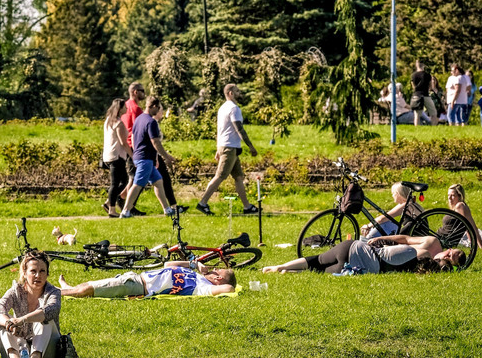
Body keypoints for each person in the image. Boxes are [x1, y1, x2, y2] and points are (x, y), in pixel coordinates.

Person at [197, 84, 259, 216]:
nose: (239, 92)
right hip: (230, 148)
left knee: (239, 177)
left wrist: (218, 148)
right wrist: (251, 146)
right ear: (230, 93)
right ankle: (202, 203)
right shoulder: (233, 108)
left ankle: (247, 207)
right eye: (237, 91)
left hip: (228, 146)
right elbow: (239, 129)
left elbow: (221, 129)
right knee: (220, 176)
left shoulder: (222, 108)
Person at [261, 237, 463, 274]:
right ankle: (285, 271)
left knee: (317, 260)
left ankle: (280, 266)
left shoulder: (409, 252)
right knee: (320, 269)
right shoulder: (405, 269)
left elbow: (393, 246)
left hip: (352, 248)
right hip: (354, 267)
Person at [0, 251, 61, 358]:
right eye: (33, 271)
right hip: (21, 345)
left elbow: (50, 310)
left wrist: (22, 319)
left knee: (44, 321)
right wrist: (9, 324)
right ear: (24, 273)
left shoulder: (53, 292)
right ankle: (14, 356)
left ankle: (35, 356)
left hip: (48, 348)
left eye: (42, 271)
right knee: (4, 322)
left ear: (47, 273)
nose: (38, 276)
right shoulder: (16, 291)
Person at [121, 97, 177, 218]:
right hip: (145, 158)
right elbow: (155, 142)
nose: (158, 111)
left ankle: (167, 209)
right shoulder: (151, 122)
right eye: (158, 108)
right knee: (137, 184)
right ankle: (125, 211)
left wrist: (136, 153)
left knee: (158, 181)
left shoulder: (139, 119)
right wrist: (166, 156)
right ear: (153, 106)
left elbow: (133, 137)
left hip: (142, 156)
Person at [58, 260, 236, 298]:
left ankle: (57, 292)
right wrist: (194, 264)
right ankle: (68, 289)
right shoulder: (196, 275)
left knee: (88, 289)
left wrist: (226, 286)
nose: (212, 270)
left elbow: (229, 289)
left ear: (218, 279)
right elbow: (168, 264)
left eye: (216, 271)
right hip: (134, 277)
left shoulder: (201, 287)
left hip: (136, 287)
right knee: (93, 285)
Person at [117, 83, 150, 216]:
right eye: (142, 91)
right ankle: (126, 204)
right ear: (135, 92)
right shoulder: (136, 109)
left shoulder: (126, 106)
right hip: (135, 145)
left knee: (134, 177)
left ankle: (124, 202)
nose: (144, 93)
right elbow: (139, 129)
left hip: (128, 144)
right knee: (137, 178)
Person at [101, 99, 130, 217]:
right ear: (120, 108)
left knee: (124, 181)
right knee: (116, 183)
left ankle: (109, 202)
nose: (127, 109)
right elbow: (123, 142)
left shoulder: (108, 120)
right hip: (117, 156)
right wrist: (132, 155)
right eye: (125, 107)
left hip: (108, 155)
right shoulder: (118, 123)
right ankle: (111, 210)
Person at [444, 183, 482, 249]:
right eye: (448, 195)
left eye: (453, 195)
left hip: (445, 240)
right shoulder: (454, 208)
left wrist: (479, 246)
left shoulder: (460, 206)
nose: (449, 198)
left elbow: (470, 226)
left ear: (460, 196)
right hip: (442, 238)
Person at [409, 60, 439, 126]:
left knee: (417, 115)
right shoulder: (427, 75)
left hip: (417, 95)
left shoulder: (413, 75)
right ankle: (433, 127)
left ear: (416, 65)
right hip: (426, 95)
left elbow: (413, 86)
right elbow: (431, 86)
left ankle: (417, 129)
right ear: (423, 66)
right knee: (433, 113)